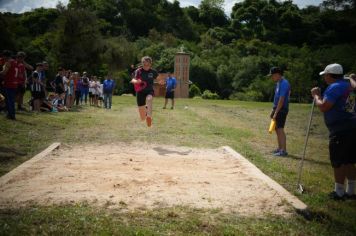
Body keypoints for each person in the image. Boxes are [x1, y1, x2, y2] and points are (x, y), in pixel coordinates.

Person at [311, 63, 356, 200]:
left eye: (325, 75)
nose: (324, 77)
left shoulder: (334, 87)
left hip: (340, 129)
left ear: (330, 75)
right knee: (349, 161)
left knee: (338, 161)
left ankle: (339, 192)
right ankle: (351, 191)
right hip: (351, 126)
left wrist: (316, 96)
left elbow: (324, 106)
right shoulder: (349, 86)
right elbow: (349, 106)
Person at [269, 67, 290, 157]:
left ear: (277, 74)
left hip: (281, 109)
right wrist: (273, 110)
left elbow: (282, 99)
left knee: (280, 129)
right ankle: (280, 148)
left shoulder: (284, 83)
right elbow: (277, 98)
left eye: (272, 76)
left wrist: (276, 112)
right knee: (277, 129)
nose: (271, 78)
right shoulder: (279, 83)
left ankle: (283, 150)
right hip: (277, 108)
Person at [130, 56, 158, 127]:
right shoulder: (138, 71)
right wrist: (136, 81)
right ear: (142, 64)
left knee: (149, 99)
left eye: (148, 65)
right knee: (142, 118)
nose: (146, 66)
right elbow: (132, 80)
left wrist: (161, 81)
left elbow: (158, 79)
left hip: (149, 91)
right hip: (140, 92)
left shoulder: (153, 72)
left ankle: (149, 116)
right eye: (144, 65)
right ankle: (145, 110)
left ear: (150, 64)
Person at [0, 50, 17, 120]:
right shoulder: (15, 62)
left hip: (9, 83)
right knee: (11, 99)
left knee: (9, 100)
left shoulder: (8, 62)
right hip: (14, 82)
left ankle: (11, 115)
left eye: (3, 56)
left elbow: (4, 73)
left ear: (5, 56)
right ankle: (11, 114)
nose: (2, 57)